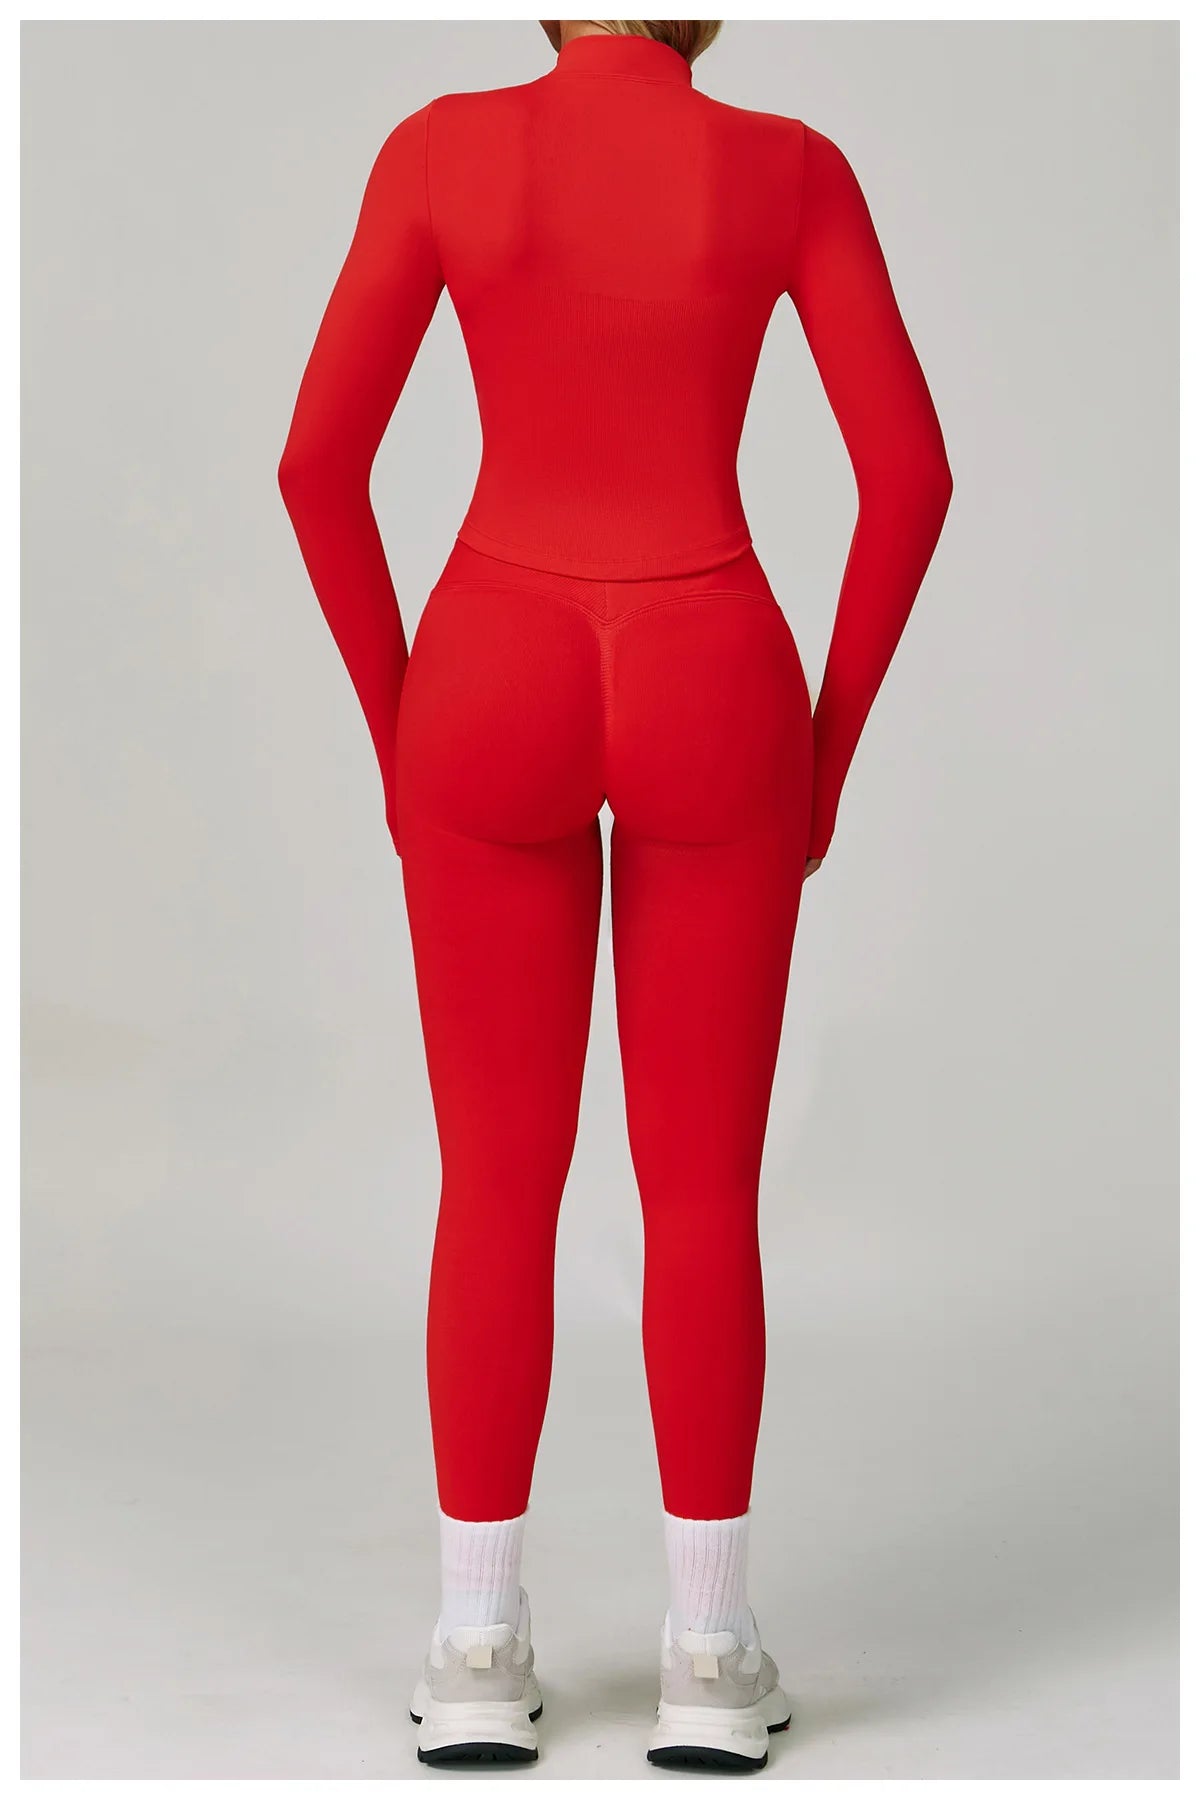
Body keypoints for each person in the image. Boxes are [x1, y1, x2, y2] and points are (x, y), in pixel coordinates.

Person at [278, 17, 952, 1772]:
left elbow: (314, 468)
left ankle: (475, 1643)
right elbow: (912, 478)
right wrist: (826, 752)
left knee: (495, 1180)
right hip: (712, 666)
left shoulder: (444, 148)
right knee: (702, 1187)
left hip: (488, 663)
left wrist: (399, 730)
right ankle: (709, 1655)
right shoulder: (789, 170)